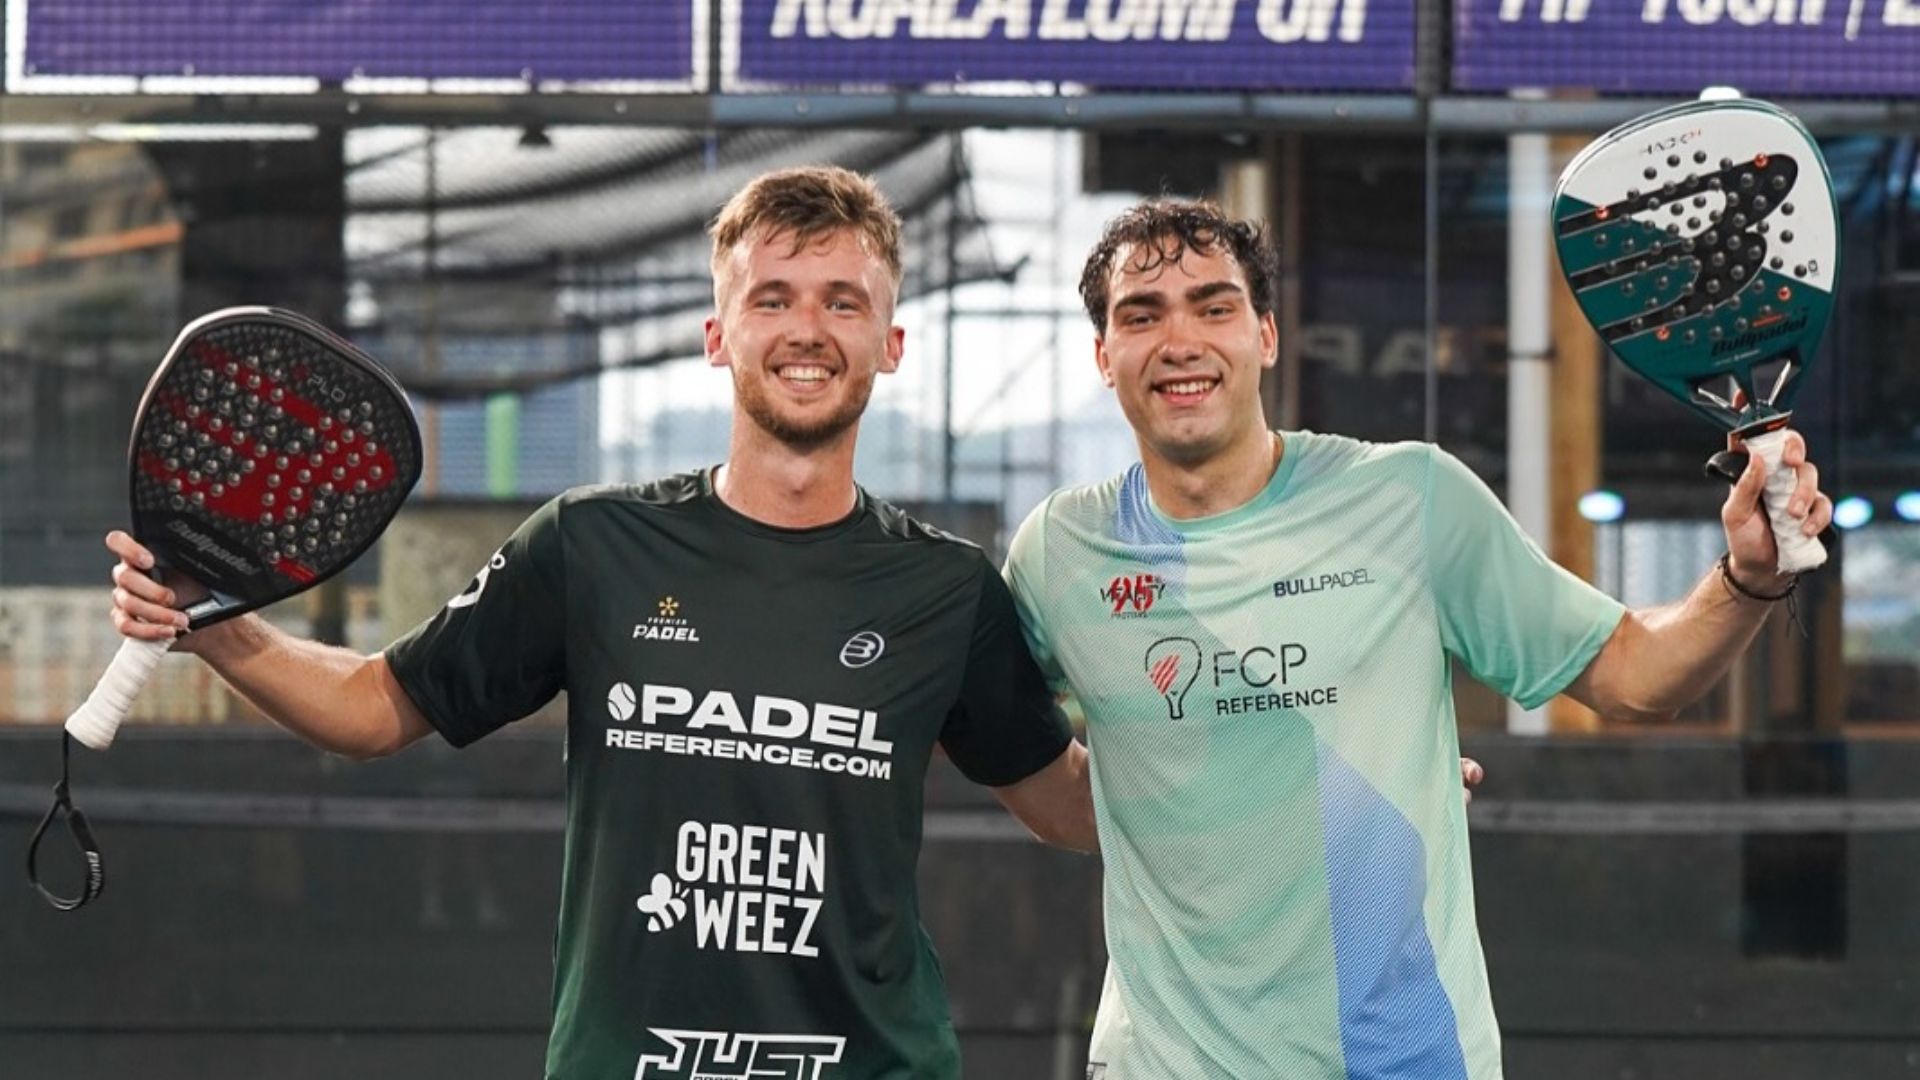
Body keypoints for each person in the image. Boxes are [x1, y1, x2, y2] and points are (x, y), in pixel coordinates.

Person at [103, 166, 1098, 1080]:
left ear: (890, 342)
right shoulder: (591, 545)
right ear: (718, 336)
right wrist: (219, 627)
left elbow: (1070, 805)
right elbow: (372, 708)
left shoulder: (948, 591)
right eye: (772, 299)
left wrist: (1192, 703)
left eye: (844, 302)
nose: (808, 329)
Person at [1003, 199, 1834, 1080]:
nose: (1181, 342)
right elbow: (1034, 773)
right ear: (1104, 357)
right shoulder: (1061, 553)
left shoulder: (1411, 498)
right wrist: (1261, 803)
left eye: (1214, 307)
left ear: (1266, 336)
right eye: (1142, 317)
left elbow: (1635, 673)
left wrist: (1748, 577)